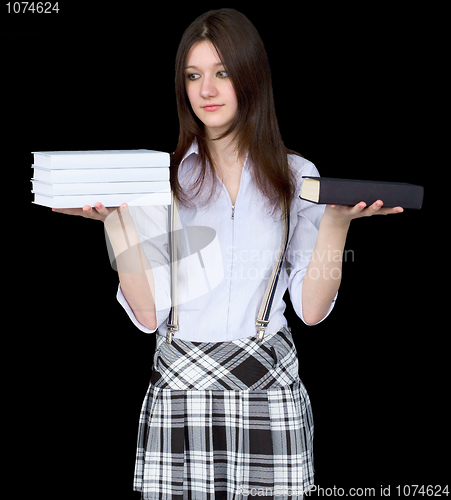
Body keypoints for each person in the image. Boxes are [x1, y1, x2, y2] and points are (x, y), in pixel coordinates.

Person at [53, 8, 403, 500]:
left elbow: (312, 310)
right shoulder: (163, 180)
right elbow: (149, 315)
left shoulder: (297, 175)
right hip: (179, 392)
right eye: (194, 76)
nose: (207, 90)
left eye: (222, 72)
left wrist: (337, 224)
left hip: (269, 390)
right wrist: (116, 224)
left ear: (251, 76)